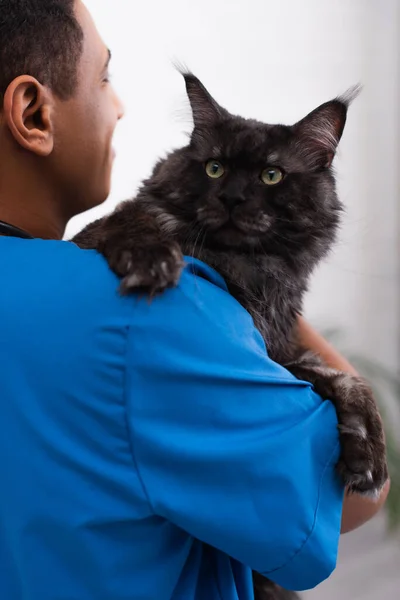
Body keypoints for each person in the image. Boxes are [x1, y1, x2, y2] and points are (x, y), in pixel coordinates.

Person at [0, 1, 389, 599]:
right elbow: (348, 503)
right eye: (105, 78)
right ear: (33, 113)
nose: (121, 105)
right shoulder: (151, 308)